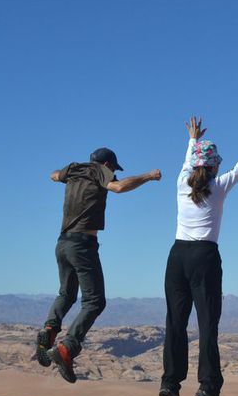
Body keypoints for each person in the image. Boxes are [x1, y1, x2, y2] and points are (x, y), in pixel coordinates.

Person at [159, 113, 238, 396]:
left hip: (177, 258)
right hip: (204, 258)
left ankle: (170, 384)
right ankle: (208, 387)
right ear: (212, 166)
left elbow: (189, 162)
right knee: (207, 325)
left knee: (175, 323)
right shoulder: (218, 186)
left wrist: (192, 140)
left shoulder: (181, 184)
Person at [37, 149, 161, 383]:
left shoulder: (75, 169)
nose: (112, 173)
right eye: (113, 169)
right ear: (106, 164)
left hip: (62, 243)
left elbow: (53, 175)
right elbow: (119, 187)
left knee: (66, 293)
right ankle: (66, 349)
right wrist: (148, 176)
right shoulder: (100, 170)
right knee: (95, 301)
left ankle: (50, 330)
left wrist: (67, 173)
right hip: (82, 245)